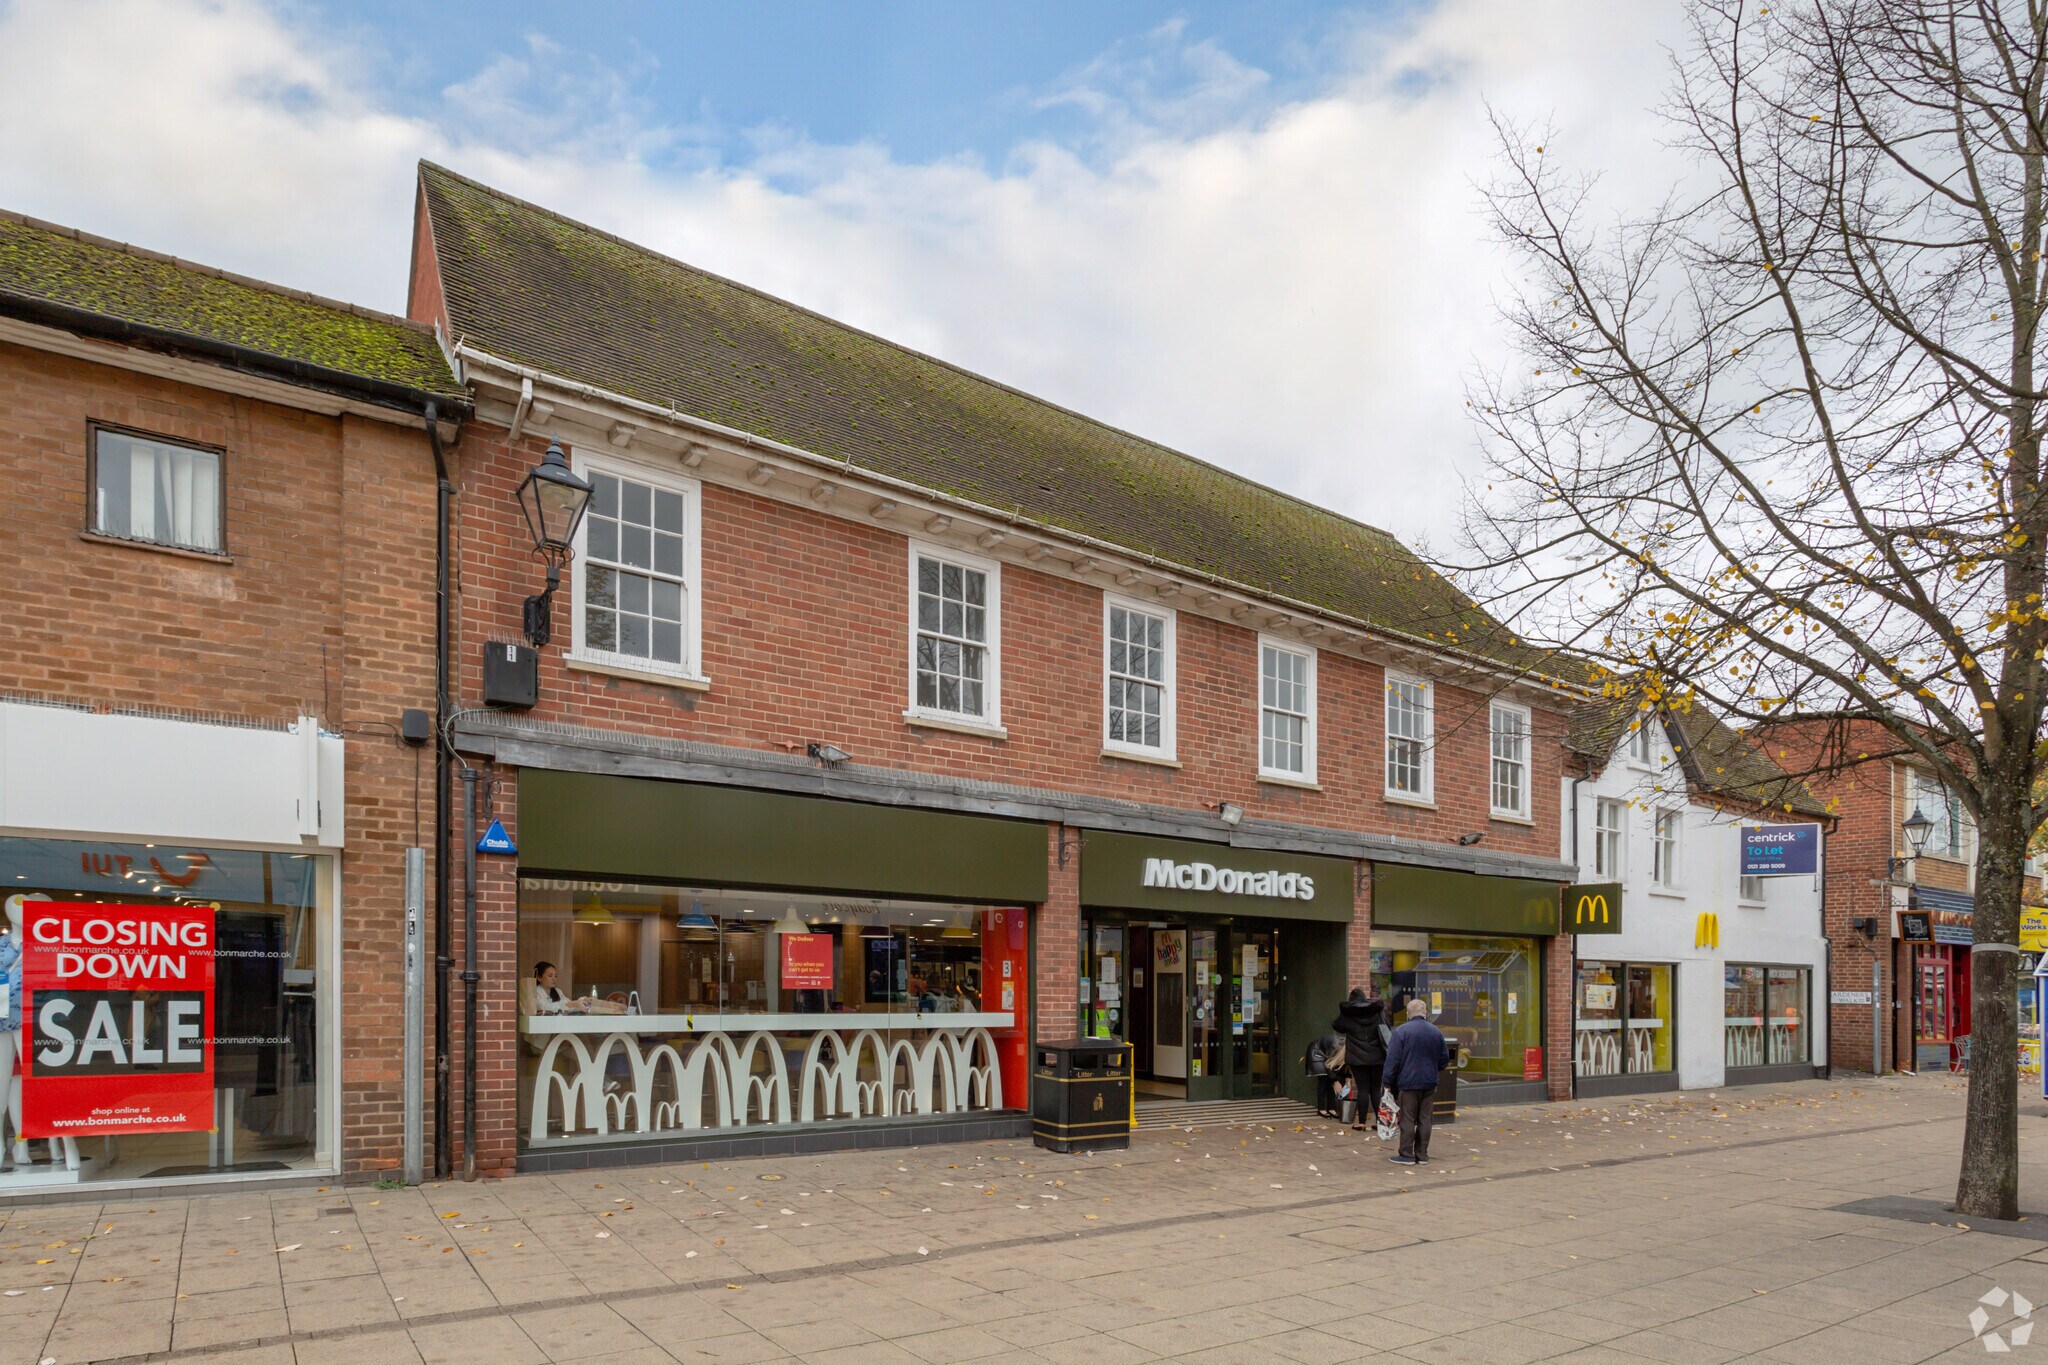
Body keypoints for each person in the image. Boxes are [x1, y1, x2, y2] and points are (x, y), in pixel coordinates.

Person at [1379, 997, 1451, 1165]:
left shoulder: (1401, 1032)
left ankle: (1406, 1154)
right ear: (1425, 1013)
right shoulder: (1436, 1032)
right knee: (1425, 1118)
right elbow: (1444, 1059)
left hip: (1408, 1082)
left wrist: (1387, 1082)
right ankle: (1422, 1154)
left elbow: (1393, 1060)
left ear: (1407, 1014)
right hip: (1429, 1082)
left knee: (1408, 1118)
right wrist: (1433, 1070)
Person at [1332, 988, 1390, 1134]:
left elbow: (1336, 1026)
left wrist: (1344, 1012)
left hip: (1358, 1059)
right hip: (1378, 1057)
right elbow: (1387, 1026)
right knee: (1376, 1089)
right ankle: (1379, 1122)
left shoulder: (1348, 1016)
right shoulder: (1376, 1012)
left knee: (1363, 1089)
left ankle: (1362, 1123)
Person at [1304, 1031, 1344, 1117]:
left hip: (1328, 1054)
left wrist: (1347, 1079)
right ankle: (1321, 1109)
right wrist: (1336, 1081)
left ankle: (1331, 1108)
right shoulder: (1335, 1047)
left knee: (1331, 1081)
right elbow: (1328, 1065)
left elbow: (1344, 1066)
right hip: (1316, 1051)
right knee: (1323, 1079)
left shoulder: (1346, 1049)